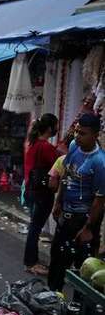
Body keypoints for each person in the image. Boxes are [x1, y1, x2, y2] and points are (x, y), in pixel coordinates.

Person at [48, 114, 105, 292]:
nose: (78, 136)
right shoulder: (73, 146)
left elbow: (99, 200)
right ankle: (52, 298)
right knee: (58, 257)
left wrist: (88, 228)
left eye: (83, 133)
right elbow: (66, 175)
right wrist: (58, 202)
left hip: (85, 218)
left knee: (83, 266)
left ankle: (79, 309)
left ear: (95, 135)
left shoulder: (100, 162)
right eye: (77, 131)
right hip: (67, 212)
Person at [22, 113, 59, 276]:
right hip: (42, 193)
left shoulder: (33, 144)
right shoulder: (45, 147)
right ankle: (31, 262)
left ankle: (32, 260)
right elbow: (58, 165)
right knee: (35, 228)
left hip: (31, 190)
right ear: (50, 128)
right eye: (56, 125)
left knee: (34, 226)